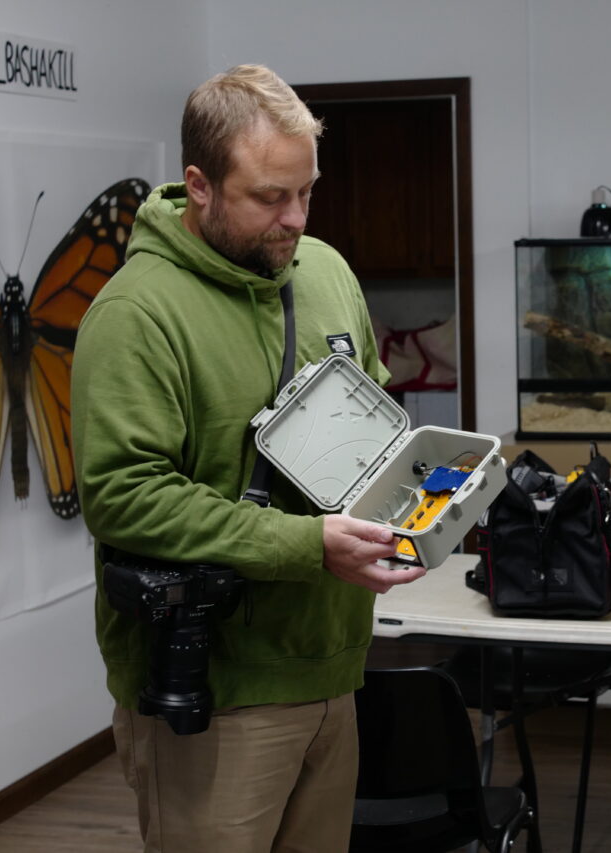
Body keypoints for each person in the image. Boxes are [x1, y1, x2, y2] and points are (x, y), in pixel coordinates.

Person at [71, 65, 427, 853]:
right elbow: (124, 497)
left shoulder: (328, 272)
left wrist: (423, 500)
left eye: (306, 192)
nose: (294, 218)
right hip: (218, 693)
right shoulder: (136, 314)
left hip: (333, 669)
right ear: (198, 185)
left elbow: (376, 425)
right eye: (270, 196)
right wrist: (308, 546)